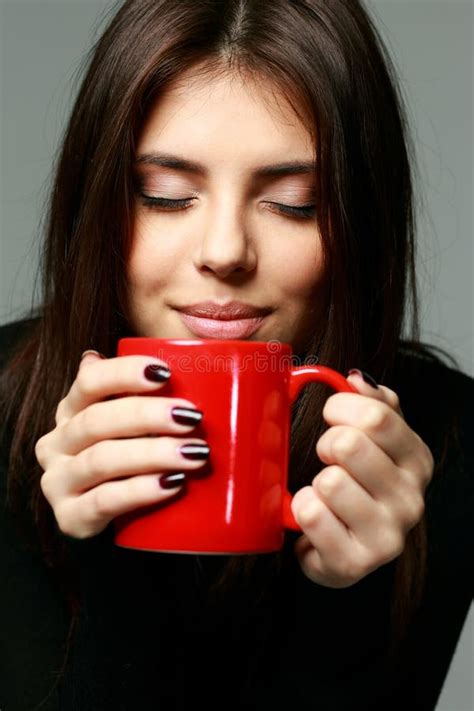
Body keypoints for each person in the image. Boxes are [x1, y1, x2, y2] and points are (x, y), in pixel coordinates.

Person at [0, 1, 472, 709]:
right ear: (96, 201)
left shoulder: (443, 442)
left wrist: (350, 595)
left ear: (361, 220)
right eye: (164, 196)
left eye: (295, 203)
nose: (224, 252)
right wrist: (102, 555)